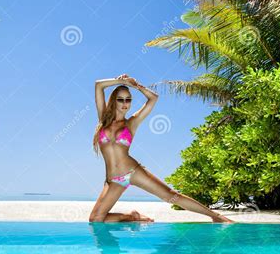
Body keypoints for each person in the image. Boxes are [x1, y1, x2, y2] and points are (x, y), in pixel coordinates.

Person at [89, 74, 233, 223]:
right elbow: (98, 85)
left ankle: (216, 217)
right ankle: (132, 217)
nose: (125, 103)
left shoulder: (132, 122)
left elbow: (153, 98)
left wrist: (136, 85)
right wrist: (121, 81)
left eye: (128, 99)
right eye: (120, 99)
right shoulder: (103, 119)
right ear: (113, 100)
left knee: (170, 196)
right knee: (95, 219)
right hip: (112, 180)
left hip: (132, 171)